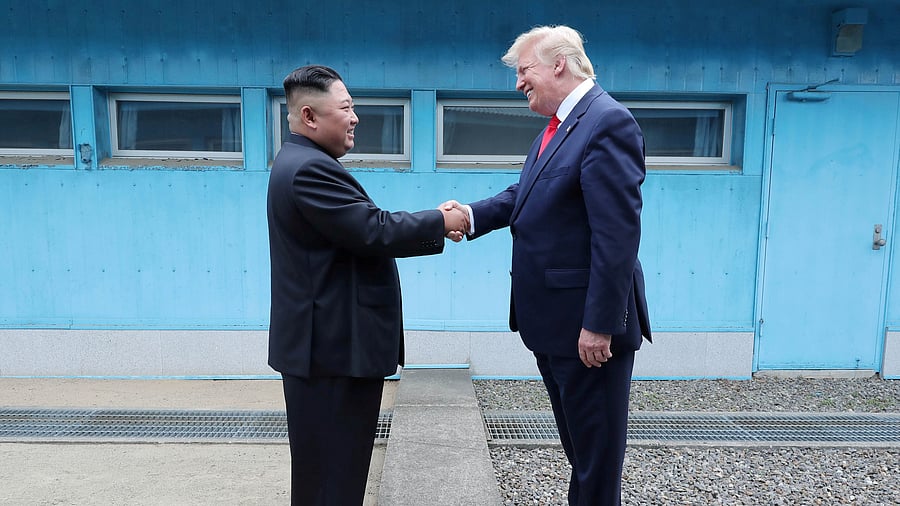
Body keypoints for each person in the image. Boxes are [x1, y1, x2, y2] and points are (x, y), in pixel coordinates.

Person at [444, 26, 651, 505]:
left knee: (596, 465)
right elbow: (526, 196)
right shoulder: (558, 128)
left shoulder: (607, 122)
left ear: (558, 63)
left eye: (524, 70)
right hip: (556, 328)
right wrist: (470, 215)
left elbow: (616, 236)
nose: (519, 83)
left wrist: (599, 325)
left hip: (587, 333)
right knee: (581, 454)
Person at [267, 64, 468, 505]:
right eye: (346, 108)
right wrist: (442, 220)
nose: (355, 117)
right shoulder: (308, 170)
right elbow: (371, 230)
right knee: (333, 480)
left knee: (327, 474)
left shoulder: (303, 161)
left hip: (328, 350)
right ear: (309, 117)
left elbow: (361, 230)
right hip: (332, 354)